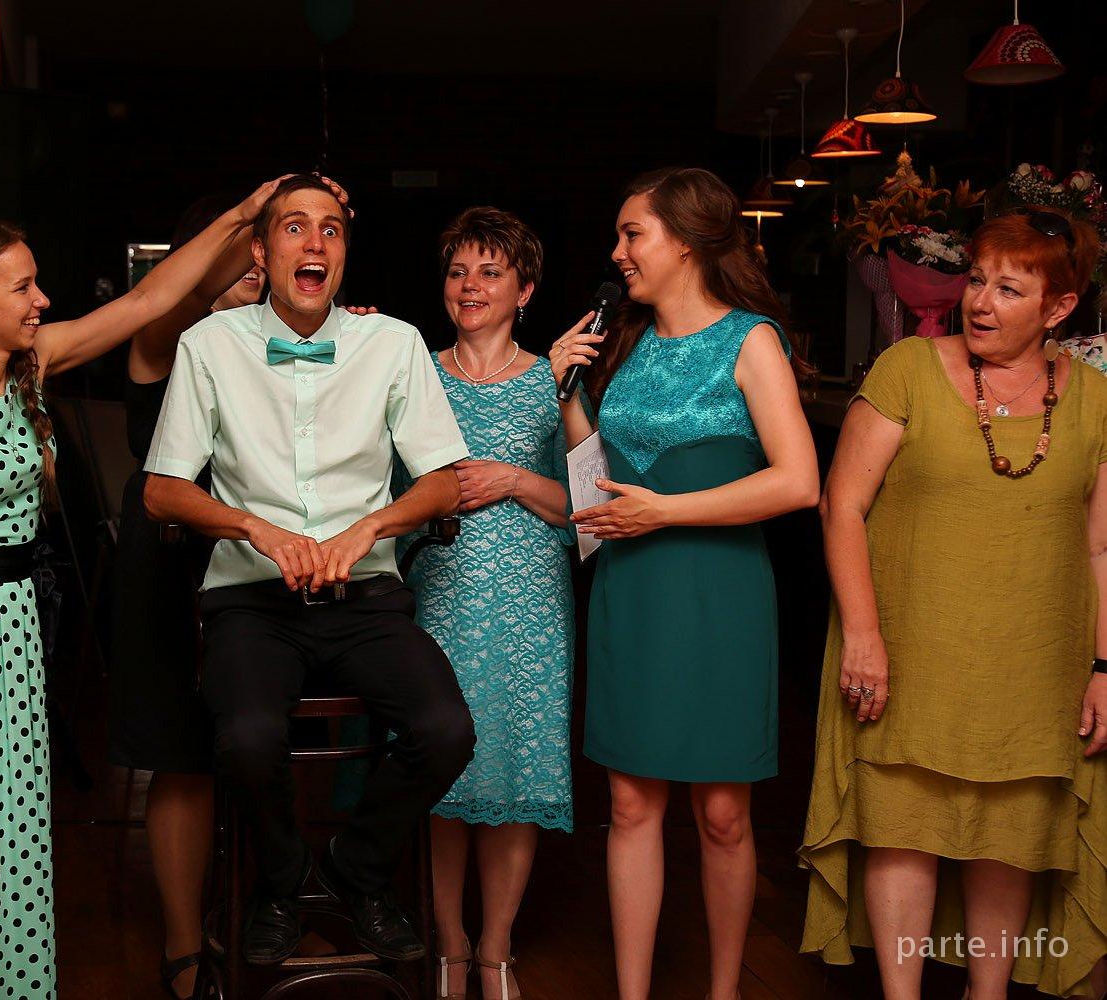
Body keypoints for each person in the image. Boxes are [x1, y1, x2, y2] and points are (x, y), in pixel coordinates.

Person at [0, 178, 288, 999]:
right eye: (23, 287)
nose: (42, 299)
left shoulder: (31, 368)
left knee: (12, 843)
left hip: (13, 632)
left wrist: (240, 216)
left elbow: (150, 299)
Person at [142, 174, 477, 967]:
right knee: (247, 737)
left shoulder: (391, 343)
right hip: (252, 603)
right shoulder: (209, 346)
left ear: (344, 253)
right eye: (294, 227)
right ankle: (282, 881)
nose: (315, 241)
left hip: (367, 599)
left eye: (331, 228)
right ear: (261, 252)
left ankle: (355, 870)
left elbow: (442, 483)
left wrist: (371, 527)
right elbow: (161, 490)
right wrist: (253, 527)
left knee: (446, 731)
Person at [800, 210, 1107, 1000]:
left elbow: (1100, 548)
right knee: (904, 827)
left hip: (1036, 663)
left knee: (1010, 833)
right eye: (977, 280)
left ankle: (987, 991)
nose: (980, 301)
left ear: (1060, 307)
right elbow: (842, 506)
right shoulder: (908, 366)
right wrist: (863, 635)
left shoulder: (1095, 398)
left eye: (1009, 289)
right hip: (914, 651)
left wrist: (1105, 666)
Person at [550, 166, 819, 1000]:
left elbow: (799, 481)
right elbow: (596, 490)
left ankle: (724, 992)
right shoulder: (625, 344)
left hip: (719, 595)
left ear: (689, 241)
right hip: (631, 593)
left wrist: (666, 512)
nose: (617, 251)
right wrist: (565, 393)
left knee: (723, 814)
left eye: (633, 233)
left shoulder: (751, 340)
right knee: (631, 805)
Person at [402, 207, 573, 1000]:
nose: (470, 286)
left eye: (490, 272)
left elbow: (590, 506)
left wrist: (513, 479)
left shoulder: (556, 378)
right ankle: (450, 942)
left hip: (533, 604)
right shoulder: (412, 371)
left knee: (515, 773)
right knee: (444, 770)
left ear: (524, 289)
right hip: (438, 595)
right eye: (457, 271)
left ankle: (497, 947)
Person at [108, 195, 264, 1000]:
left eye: (265, 251)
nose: (259, 266)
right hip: (169, 558)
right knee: (181, 755)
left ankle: (260, 916)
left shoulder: (281, 335)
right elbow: (173, 298)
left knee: (259, 742)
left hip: (256, 554)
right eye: (245, 251)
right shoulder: (165, 332)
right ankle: (181, 944)